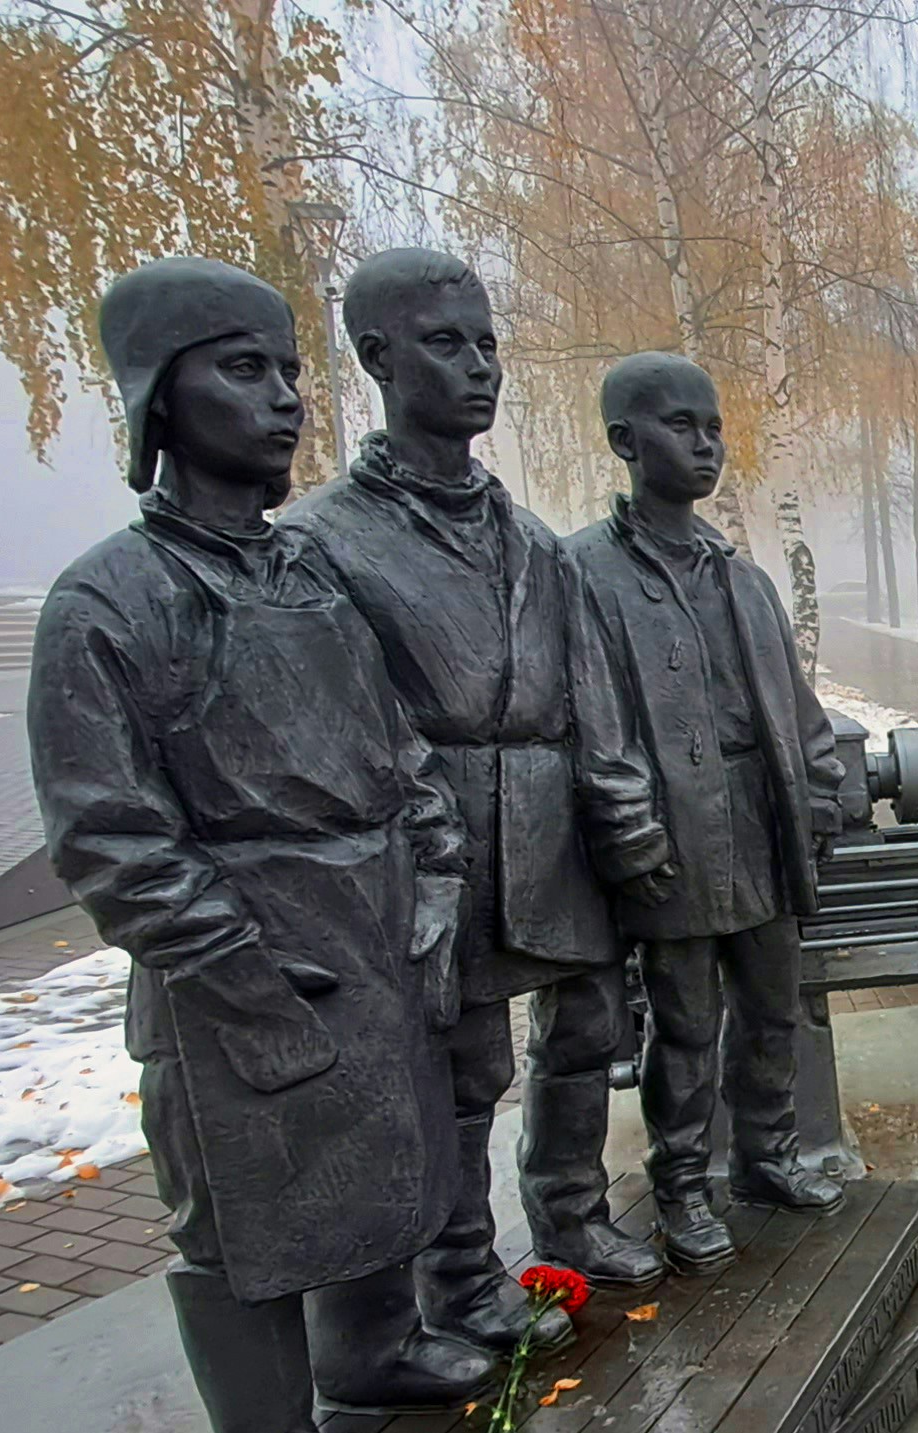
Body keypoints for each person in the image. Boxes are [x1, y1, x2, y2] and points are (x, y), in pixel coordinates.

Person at [27, 256, 488, 1433]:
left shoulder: (312, 577)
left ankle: (375, 1349)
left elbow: (404, 759)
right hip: (241, 953)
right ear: (158, 397)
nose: (285, 399)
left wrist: (433, 886)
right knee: (242, 1205)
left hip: (377, 924)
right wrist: (238, 970)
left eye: (290, 370)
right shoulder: (109, 601)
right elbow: (111, 839)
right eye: (245, 369)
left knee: (386, 1150)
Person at [286, 250, 674, 1320]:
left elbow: (596, 699)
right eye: (446, 345)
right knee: (458, 1067)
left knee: (587, 1027)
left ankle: (573, 1215)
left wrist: (625, 824)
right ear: (377, 358)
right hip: (434, 837)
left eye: (489, 344)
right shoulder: (324, 542)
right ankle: (458, 1274)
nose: (480, 368)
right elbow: (342, 721)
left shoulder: (534, 544)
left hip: (553, 827)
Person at [567, 353, 847, 1270]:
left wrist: (823, 789)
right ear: (623, 441)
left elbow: (794, 704)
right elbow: (589, 717)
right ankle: (683, 1186)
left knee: (775, 1009)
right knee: (684, 1025)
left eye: (714, 427)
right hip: (673, 833)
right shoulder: (584, 575)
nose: (705, 445)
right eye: (681, 426)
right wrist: (629, 828)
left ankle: (765, 1158)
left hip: (759, 826)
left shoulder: (744, 577)